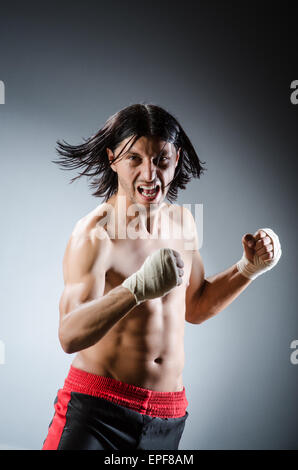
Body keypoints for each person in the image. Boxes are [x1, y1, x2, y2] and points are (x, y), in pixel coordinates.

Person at [42, 103, 282, 450]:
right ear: (112, 159)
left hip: (167, 419)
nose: (150, 174)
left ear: (177, 158)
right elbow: (68, 335)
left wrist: (247, 269)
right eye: (134, 159)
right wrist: (135, 289)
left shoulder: (183, 221)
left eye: (160, 159)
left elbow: (195, 306)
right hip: (98, 415)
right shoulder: (95, 234)